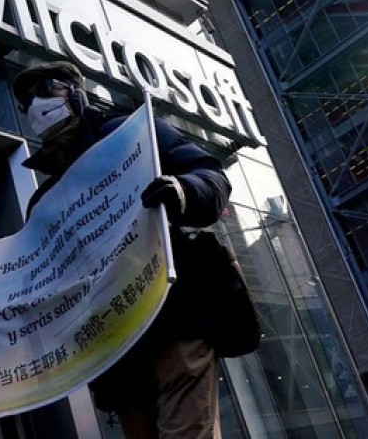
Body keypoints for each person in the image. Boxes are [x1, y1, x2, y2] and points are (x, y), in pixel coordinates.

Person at [13, 60, 232, 439]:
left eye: (47, 88)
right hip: (114, 349)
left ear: (76, 93)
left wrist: (183, 191)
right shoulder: (44, 201)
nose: (36, 104)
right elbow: (39, 284)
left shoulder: (132, 133)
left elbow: (210, 175)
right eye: (27, 100)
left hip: (172, 316)